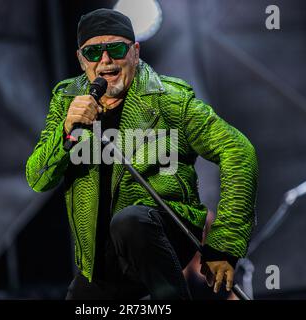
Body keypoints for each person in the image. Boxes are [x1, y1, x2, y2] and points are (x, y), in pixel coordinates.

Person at [26, 8, 258, 300]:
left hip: (163, 236)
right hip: (104, 263)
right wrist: (64, 132)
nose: (105, 61)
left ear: (135, 51)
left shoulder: (169, 100)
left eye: (117, 49)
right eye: (93, 52)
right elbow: (38, 178)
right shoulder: (66, 101)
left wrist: (225, 242)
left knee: (130, 220)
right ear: (80, 59)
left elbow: (237, 149)